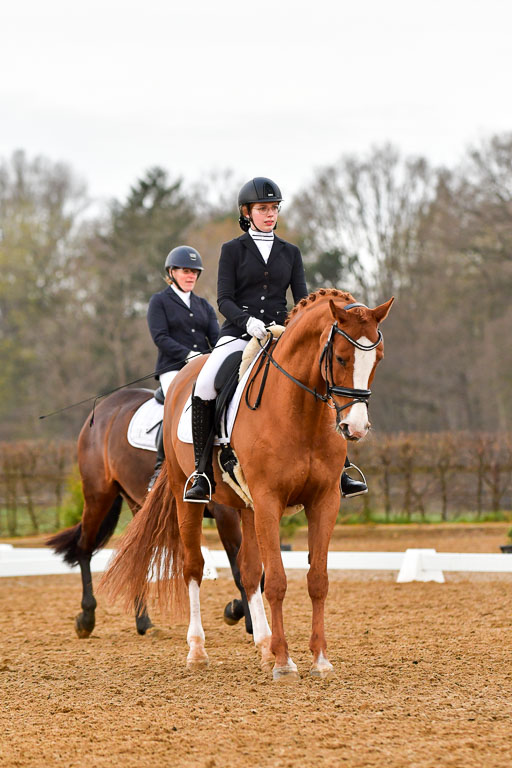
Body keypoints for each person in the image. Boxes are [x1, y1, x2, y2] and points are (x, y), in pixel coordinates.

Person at [183, 176, 368, 503]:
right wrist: (247, 321)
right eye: (263, 208)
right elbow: (223, 299)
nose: (270, 214)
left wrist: (297, 328)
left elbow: (303, 301)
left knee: (321, 379)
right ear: (247, 212)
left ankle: (341, 467)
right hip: (240, 333)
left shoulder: (290, 252)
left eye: (274, 208)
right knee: (206, 384)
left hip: (283, 335)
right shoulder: (232, 250)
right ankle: (202, 473)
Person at [146, 245, 219, 490]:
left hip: (203, 366)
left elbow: (217, 337)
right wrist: (188, 355)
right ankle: (159, 467)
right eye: (185, 271)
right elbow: (160, 337)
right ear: (172, 272)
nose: (191, 276)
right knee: (174, 406)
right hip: (173, 368)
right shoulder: (160, 302)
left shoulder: (203, 305)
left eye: (194, 272)